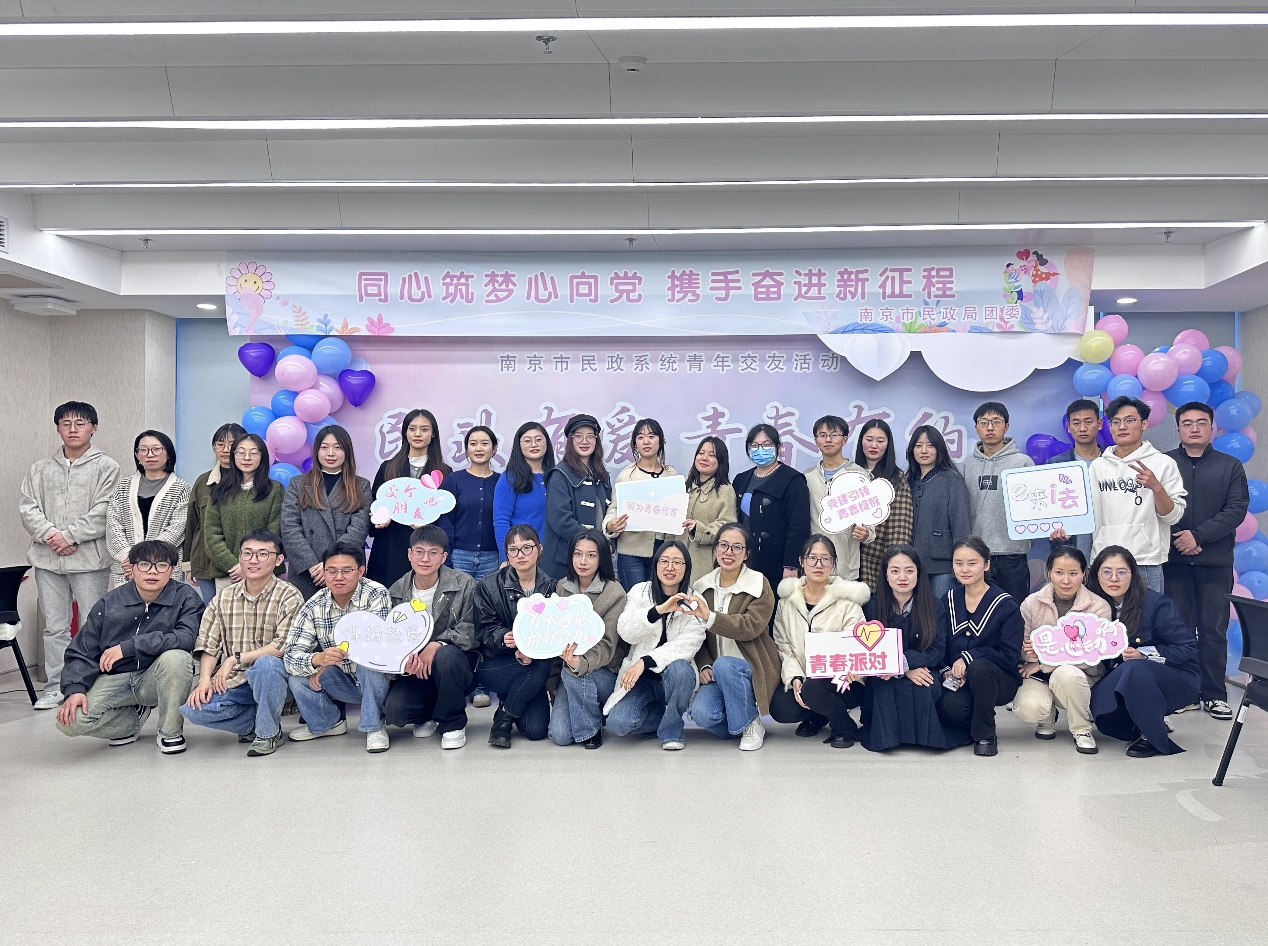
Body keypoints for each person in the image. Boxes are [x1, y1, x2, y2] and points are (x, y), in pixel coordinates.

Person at [54, 540, 202, 754]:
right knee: (70, 721)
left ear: (172, 570)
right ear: (131, 568)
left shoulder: (186, 598)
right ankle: (131, 720)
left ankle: (170, 732)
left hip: (155, 678)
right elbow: (83, 648)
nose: (152, 572)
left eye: (161, 565)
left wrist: (130, 647)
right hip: (115, 678)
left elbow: (186, 637)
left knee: (178, 658)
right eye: (144, 564)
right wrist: (75, 688)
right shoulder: (110, 602)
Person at [20, 400, 121, 710]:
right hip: (47, 560)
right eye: (66, 423)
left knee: (92, 624)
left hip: (89, 560)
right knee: (54, 627)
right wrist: (52, 536)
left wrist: (69, 536)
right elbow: (28, 508)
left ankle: (90, 683)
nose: (73, 429)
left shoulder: (107, 466)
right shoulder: (40, 468)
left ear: (94, 428)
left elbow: (106, 510)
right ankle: (56, 686)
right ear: (58, 429)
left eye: (80, 423)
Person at [179, 530, 304, 756]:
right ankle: (261, 721)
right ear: (240, 557)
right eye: (247, 553)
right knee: (194, 709)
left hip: (277, 678)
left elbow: (282, 645)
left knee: (266, 665)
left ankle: (267, 735)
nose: (253, 560)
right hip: (237, 680)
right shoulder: (224, 597)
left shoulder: (289, 595)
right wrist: (204, 680)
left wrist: (234, 659)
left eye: (262, 554)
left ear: (278, 560)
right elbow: (208, 643)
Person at [1165, 401, 1249, 722]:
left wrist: (1197, 536)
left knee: (1214, 631)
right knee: (1180, 631)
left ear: (1212, 428)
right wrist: (1180, 538)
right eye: (1187, 423)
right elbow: (1153, 506)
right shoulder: (1165, 464)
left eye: (1201, 422)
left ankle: (1214, 694)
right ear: (1178, 429)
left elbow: (1235, 510)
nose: (1195, 428)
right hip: (1173, 562)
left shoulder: (1230, 466)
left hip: (1215, 563)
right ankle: (1184, 693)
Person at [1088, 545, 1200, 756]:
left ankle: (1153, 737)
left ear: (1133, 574)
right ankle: (1139, 723)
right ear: (1096, 574)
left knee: (1135, 668)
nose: (1114, 579)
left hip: (1174, 675)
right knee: (1103, 713)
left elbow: (1186, 648)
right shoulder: (1092, 606)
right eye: (1106, 572)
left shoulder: (1155, 603)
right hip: (1120, 677)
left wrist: (1145, 654)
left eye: (1122, 572)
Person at [283, 545, 395, 753]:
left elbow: (377, 644)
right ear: (323, 572)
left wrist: (331, 659)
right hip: (344, 679)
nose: (339, 577)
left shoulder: (376, 593)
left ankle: (374, 726)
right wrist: (318, 660)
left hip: (376, 678)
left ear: (360, 571)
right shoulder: (314, 604)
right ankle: (328, 723)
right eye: (332, 571)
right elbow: (290, 656)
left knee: (370, 662)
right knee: (298, 678)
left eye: (346, 571)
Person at [383, 524, 479, 750]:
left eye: (433, 553)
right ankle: (427, 715)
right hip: (417, 671)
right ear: (409, 554)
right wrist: (405, 660)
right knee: (396, 711)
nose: (425, 559)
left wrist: (437, 644)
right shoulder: (395, 592)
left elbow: (472, 628)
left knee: (446, 656)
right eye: (419, 552)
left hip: (455, 665)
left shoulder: (464, 584)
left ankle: (452, 723)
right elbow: (391, 640)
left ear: (444, 557)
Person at [861, 545, 965, 752]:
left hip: (924, 666)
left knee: (924, 685)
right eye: (895, 571)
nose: (902, 577)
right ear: (886, 574)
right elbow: (868, 652)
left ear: (918, 573)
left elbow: (937, 650)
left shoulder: (934, 606)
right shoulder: (871, 607)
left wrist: (905, 663)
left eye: (909, 570)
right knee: (885, 688)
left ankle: (925, 738)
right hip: (883, 673)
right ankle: (888, 738)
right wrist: (901, 669)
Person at [603, 539, 706, 750]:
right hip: (641, 681)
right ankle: (664, 717)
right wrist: (659, 610)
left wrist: (645, 661)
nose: (670, 567)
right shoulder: (640, 591)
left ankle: (672, 731)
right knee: (617, 723)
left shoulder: (695, 600)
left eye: (677, 562)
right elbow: (626, 632)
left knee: (681, 669)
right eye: (664, 561)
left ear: (686, 567)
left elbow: (689, 644)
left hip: (673, 680)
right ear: (656, 564)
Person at [769, 536, 871, 747]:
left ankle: (843, 728)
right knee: (781, 708)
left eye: (825, 559)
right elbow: (783, 646)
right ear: (801, 561)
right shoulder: (786, 602)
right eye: (812, 558)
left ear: (834, 564)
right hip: (804, 675)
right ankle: (820, 715)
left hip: (844, 680)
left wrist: (849, 670)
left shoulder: (848, 601)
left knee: (815, 690)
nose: (818, 564)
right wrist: (795, 677)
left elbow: (856, 643)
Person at [1013, 546, 1112, 754]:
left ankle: (1082, 730)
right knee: (1029, 707)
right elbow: (1021, 647)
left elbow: (1091, 656)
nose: (1066, 580)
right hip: (1038, 676)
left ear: (1084, 574)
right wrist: (1030, 653)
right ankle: (1046, 717)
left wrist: (1043, 662)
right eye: (1059, 572)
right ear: (1049, 572)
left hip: (1080, 677)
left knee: (1066, 673)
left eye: (1073, 573)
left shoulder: (1098, 607)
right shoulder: (1031, 603)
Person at [687, 523, 778, 750]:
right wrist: (704, 664)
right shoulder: (702, 586)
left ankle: (751, 724)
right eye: (723, 545)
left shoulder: (759, 584)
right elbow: (696, 636)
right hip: (717, 671)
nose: (729, 552)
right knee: (701, 714)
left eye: (737, 547)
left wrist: (710, 617)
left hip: (752, 666)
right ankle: (742, 722)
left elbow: (750, 627)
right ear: (715, 549)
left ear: (746, 554)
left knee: (726, 665)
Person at [936, 535, 1024, 757]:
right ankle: (972, 723)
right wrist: (947, 671)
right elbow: (939, 644)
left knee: (979, 667)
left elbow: (1010, 656)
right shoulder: (947, 599)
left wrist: (969, 657)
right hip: (958, 679)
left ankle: (986, 734)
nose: (964, 569)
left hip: (998, 680)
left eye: (972, 563)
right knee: (952, 708)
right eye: (958, 563)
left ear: (986, 565)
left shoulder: (1006, 604)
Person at [1089, 396, 1187, 594]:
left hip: (1145, 560)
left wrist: (1156, 487)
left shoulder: (1163, 463)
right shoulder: (1097, 466)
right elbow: (1087, 513)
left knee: (1148, 613)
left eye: (1129, 420)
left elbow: (1173, 516)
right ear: (1109, 427)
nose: (1122, 426)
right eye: (1116, 421)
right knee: (1106, 614)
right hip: (1104, 559)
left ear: (1144, 424)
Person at [474, 524, 556, 746]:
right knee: (539, 668)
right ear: (507, 554)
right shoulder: (489, 585)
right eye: (513, 549)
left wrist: (532, 650)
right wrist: (503, 638)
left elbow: (555, 632)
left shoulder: (552, 587)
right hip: (496, 662)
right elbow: (483, 628)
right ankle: (503, 723)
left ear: (539, 549)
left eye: (527, 548)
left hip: (533, 664)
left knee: (536, 730)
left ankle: (506, 706)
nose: (520, 555)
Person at [548, 529, 628, 749]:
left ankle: (590, 731)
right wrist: (552, 683)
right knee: (560, 736)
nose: (583, 561)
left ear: (602, 558)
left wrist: (579, 663)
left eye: (591, 555)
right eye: (578, 554)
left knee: (573, 671)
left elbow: (608, 645)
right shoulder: (562, 587)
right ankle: (590, 710)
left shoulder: (614, 592)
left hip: (603, 672)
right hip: (568, 672)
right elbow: (554, 638)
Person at [279, 424, 371, 601]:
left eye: (337, 448)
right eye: (324, 447)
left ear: (347, 452)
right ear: (316, 451)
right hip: (308, 572)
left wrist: (332, 566)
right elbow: (289, 527)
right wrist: (313, 565)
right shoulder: (298, 484)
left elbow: (359, 529)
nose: (330, 453)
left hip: (345, 571)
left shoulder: (361, 486)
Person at [366, 408, 452, 589]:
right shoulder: (388, 467)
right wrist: (378, 517)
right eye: (412, 429)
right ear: (405, 432)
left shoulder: (443, 472)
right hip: (390, 546)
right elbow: (374, 503)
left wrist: (429, 524)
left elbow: (447, 515)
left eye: (424, 429)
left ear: (433, 434)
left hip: (426, 549)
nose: (417, 434)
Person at [962, 401, 1034, 603]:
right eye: (984, 422)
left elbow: (1034, 509)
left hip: (1012, 556)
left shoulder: (1023, 463)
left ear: (1006, 426)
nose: (990, 427)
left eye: (996, 421)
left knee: (1014, 610)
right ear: (976, 427)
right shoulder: (968, 464)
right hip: (977, 555)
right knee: (978, 611)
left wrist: (1023, 540)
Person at [732, 423, 811, 593]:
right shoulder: (741, 479)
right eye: (754, 445)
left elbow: (799, 527)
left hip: (775, 564)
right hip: (742, 560)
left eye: (766, 444)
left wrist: (791, 565)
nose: (760, 450)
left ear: (778, 447)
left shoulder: (793, 480)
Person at [605, 417, 683, 590]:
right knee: (635, 599)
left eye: (651, 436)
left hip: (664, 551)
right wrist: (610, 525)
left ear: (661, 441)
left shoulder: (671, 474)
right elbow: (614, 508)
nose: (646, 441)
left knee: (660, 597)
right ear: (635, 444)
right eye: (640, 437)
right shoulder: (627, 475)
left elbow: (678, 511)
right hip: (631, 552)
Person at [107, 430, 191, 589]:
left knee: (164, 604)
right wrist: (129, 559)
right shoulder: (123, 486)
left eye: (156, 449)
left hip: (163, 565)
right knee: (127, 604)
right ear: (137, 455)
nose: (150, 454)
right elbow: (113, 524)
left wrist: (144, 560)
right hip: (126, 567)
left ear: (168, 453)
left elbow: (177, 529)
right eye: (143, 450)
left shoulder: (181, 488)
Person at [204, 433, 284, 593]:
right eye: (241, 452)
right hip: (230, 574)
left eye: (253, 453)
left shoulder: (275, 490)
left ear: (262, 457)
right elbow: (212, 534)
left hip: (266, 574)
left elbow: (276, 531)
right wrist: (237, 565)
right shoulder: (220, 490)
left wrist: (252, 564)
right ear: (233, 456)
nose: (247, 458)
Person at [905, 425, 973, 601]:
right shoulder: (908, 481)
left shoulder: (952, 479)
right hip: (911, 564)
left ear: (939, 449)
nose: (924, 451)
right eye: (918, 446)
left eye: (930, 445)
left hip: (943, 565)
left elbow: (961, 525)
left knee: (942, 611)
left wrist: (960, 563)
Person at [541, 414, 613, 579]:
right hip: (564, 562)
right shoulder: (559, 475)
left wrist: (609, 541)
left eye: (590, 436)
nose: (584, 441)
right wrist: (594, 544)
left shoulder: (602, 476)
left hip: (596, 561)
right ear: (570, 440)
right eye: (578, 436)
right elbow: (560, 520)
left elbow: (608, 513)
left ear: (596, 440)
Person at [803, 414, 872, 581]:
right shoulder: (807, 476)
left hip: (846, 566)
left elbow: (870, 524)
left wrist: (866, 533)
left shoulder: (859, 475)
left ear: (845, 439)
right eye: (822, 435)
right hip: (814, 565)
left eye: (834, 435)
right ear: (816, 440)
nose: (828, 440)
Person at [185, 423, 246, 605]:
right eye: (220, 445)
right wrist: (189, 564)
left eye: (231, 444)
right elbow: (192, 524)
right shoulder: (203, 481)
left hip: (236, 564)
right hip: (204, 560)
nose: (225, 450)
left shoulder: (250, 481)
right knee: (210, 612)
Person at [855, 419, 914, 594]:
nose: (874, 445)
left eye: (880, 441)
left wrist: (893, 564)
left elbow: (900, 529)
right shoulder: (850, 473)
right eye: (869, 439)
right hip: (847, 559)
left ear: (888, 444)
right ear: (861, 441)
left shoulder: (896, 477)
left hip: (876, 560)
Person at [440, 425, 503, 582]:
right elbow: (445, 521)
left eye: (485, 443)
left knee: (488, 597)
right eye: (473, 444)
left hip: (492, 558)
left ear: (494, 449)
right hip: (459, 556)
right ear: (467, 450)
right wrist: (446, 556)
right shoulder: (453, 480)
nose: (478, 448)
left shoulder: (502, 482)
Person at [1047, 399, 1103, 561]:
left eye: (1088, 422)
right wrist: (1054, 530)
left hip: (1107, 549)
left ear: (1099, 424)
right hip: (1070, 551)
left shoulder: (1112, 462)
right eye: (1076, 423)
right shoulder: (1055, 465)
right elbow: (1048, 510)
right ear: (1068, 427)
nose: (1083, 428)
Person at [493, 421, 555, 559]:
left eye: (538, 439)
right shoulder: (509, 478)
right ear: (519, 445)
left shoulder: (556, 476)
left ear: (547, 443)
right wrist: (507, 557)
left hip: (553, 557)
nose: (534, 444)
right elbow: (501, 521)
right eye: (527, 441)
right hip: (521, 556)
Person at [682, 436, 738, 580]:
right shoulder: (684, 487)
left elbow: (726, 525)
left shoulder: (725, 491)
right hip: (677, 560)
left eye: (712, 455)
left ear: (721, 461)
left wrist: (699, 529)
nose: (704, 458)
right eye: (701, 453)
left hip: (704, 562)